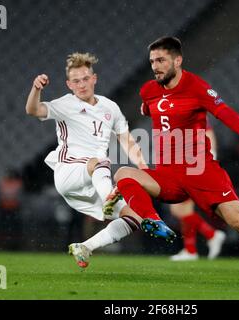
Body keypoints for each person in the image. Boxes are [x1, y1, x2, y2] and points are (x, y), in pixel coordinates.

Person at [110, 36, 239, 281]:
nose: (155, 66)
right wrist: (147, 108)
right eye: (152, 61)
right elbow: (151, 106)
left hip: (200, 171)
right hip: (168, 174)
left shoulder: (198, 87)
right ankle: (153, 220)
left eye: (161, 60)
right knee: (123, 173)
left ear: (177, 61)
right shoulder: (148, 90)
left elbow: (228, 115)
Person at [25, 52, 148, 267]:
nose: (81, 84)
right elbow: (33, 110)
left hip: (94, 180)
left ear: (94, 79)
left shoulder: (110, 108)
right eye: (76, 81)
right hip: (69, 173)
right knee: (100, 161)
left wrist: (143, 167)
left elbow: (127, 141)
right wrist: (36, 89)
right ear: (69, 85)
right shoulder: (65, 104)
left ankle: (86, 247)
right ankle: (109, 197)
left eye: (85, 79)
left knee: (135, 218)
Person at [169, 123, 227, 261]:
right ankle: (191, 250)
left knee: (178, 209)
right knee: (184, 210)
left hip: (193, 165)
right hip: (186, 163)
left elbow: (208, 134)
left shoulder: (192, 112)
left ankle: (211, 235)